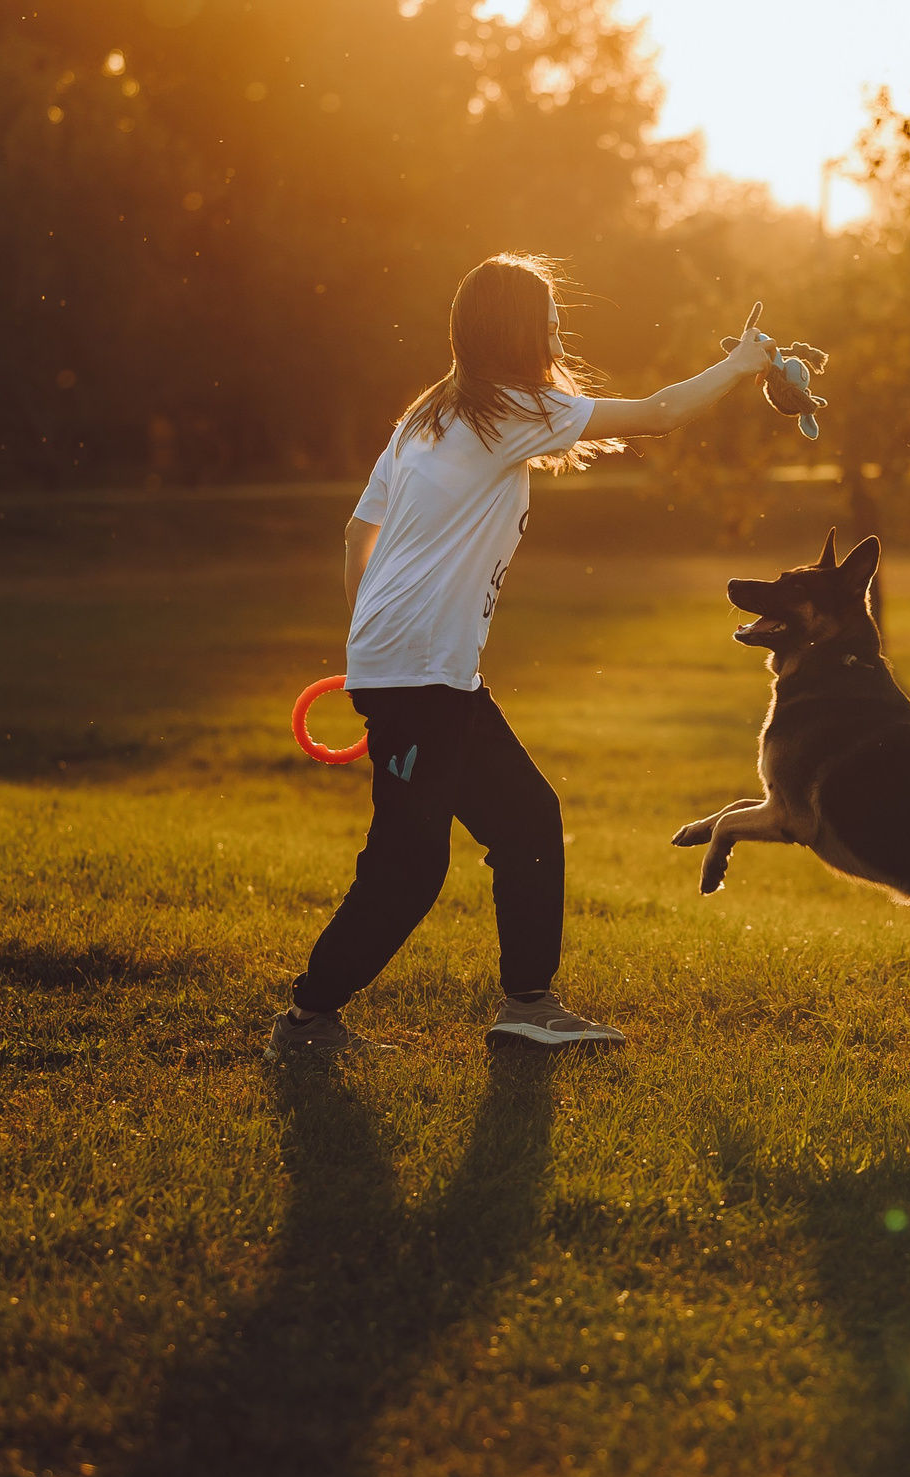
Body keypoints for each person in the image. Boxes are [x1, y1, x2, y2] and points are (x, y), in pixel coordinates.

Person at [266, 253, 777, 1057]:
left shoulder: (426, 416)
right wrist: (744, 363)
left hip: (425, 669)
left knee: (528, 819)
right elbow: (660, 414)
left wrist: (372, 632)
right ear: (514, 328)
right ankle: (307, 1019)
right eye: (547, 317)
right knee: (409, 865)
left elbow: (355, 531)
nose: (557, 330)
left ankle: (529, 1007)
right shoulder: (507, 408)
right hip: (418, 672)